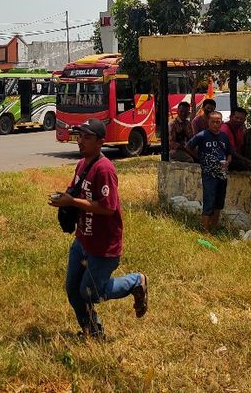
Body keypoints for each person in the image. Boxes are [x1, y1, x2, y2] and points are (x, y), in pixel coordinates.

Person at [48, 118, 148, 339]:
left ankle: (135, 281)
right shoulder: (82, 163)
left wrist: (71, 203)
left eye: (87, 138)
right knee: (73, 290)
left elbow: (108, 208)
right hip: (83, 239)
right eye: (80, 136)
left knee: (91, 292)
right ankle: (93, 331)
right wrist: (64, 199)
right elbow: (74, 190)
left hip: (104, 245)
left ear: (100, 142)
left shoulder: (104, 169)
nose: (81, 142)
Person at [186, 111, 232, 232]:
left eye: (218, 122)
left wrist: (227, 161)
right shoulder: (202, 135)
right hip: (208, 173)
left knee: (219, 201)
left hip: (222, 173)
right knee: (209, 199)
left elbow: (229, 153)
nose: (216, 124)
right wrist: (198, 158)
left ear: (221, 122)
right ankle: (204, 229)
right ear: (208, 122)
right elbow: (188, 146)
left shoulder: (224, 137)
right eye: (213, 122)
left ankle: (214, 227)